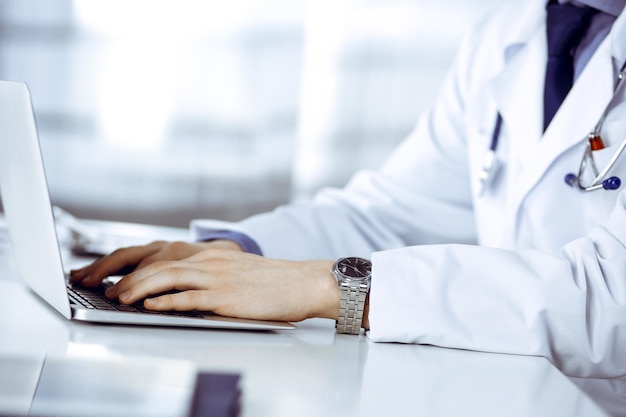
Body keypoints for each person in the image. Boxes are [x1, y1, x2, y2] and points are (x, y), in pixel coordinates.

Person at [71, 0, 626, 379]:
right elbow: (394, 213)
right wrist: (234, 252)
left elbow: (609, 304)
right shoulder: (511, 31)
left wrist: (332, 287)